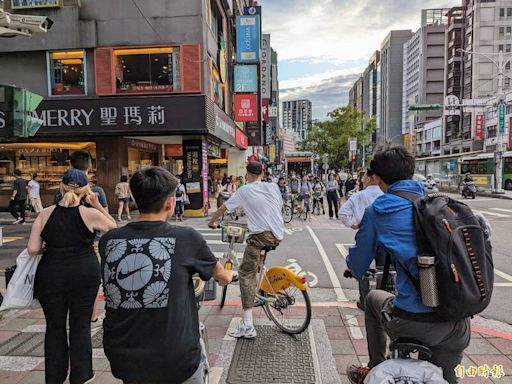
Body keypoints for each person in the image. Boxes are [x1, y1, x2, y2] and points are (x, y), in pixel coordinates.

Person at [345, 147, 470, 384]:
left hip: (412, 321)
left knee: (372, 298)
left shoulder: (380, 210)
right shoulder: (441, 205)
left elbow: (359, 264)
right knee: (447, 376)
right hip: (457, 322)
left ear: (378, 178)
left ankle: (375, 367)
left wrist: (351, 266)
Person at [100, 167, 234, 384]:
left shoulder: (110, 240)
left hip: (123, 356)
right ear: (170, 203)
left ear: (134, 198)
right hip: (176, 359)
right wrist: (229, 274)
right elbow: (222, 277)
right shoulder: (186, 237)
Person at [27, 169, 117, 384]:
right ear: (87, 190)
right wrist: (96, 205)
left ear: (61, 187)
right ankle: (81, 374)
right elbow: (114, 229)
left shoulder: (45, 214)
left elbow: (32, 249)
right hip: (84, 273)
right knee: (80, 326)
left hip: (51, 274)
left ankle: (54, 377)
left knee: (55, 327)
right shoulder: (90, 214)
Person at [208, 162, 284, 339]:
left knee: (245, 273)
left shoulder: (244, 190)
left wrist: (211, 222)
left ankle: (248, 325)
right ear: (262, 173)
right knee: (254, 266)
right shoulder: (273, 187)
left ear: (248, 174)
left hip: (261, 237)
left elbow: (223, 208)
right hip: (277, 234)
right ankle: (255, 292)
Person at [339, 169, 383, 311]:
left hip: (365, 234)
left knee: (362, 266)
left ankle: (364, 300)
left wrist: (353, 225)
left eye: (363, 177)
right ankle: (383, 300)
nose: (362, 180)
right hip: (385, 234)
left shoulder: (359, 196)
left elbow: (343, 213)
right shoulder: (386, 194)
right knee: (383, 268)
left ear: (370, 179)